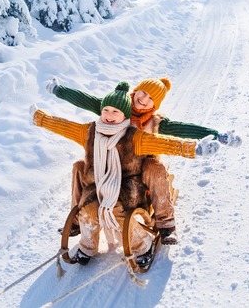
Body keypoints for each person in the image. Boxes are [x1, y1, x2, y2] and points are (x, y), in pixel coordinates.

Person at [31, 82, 221, 267]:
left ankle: (153, 235)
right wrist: (41, 115)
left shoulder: (138, 134)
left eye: (115, 112)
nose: (109, 115)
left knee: (133, 189)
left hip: (132, 180)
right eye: (106, 110)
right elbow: (65, 123)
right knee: (86, 198)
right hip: (102, 179)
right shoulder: (93, 128)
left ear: (126, 115)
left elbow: (165, 142)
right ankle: (86, 242)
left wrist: (197, 148)